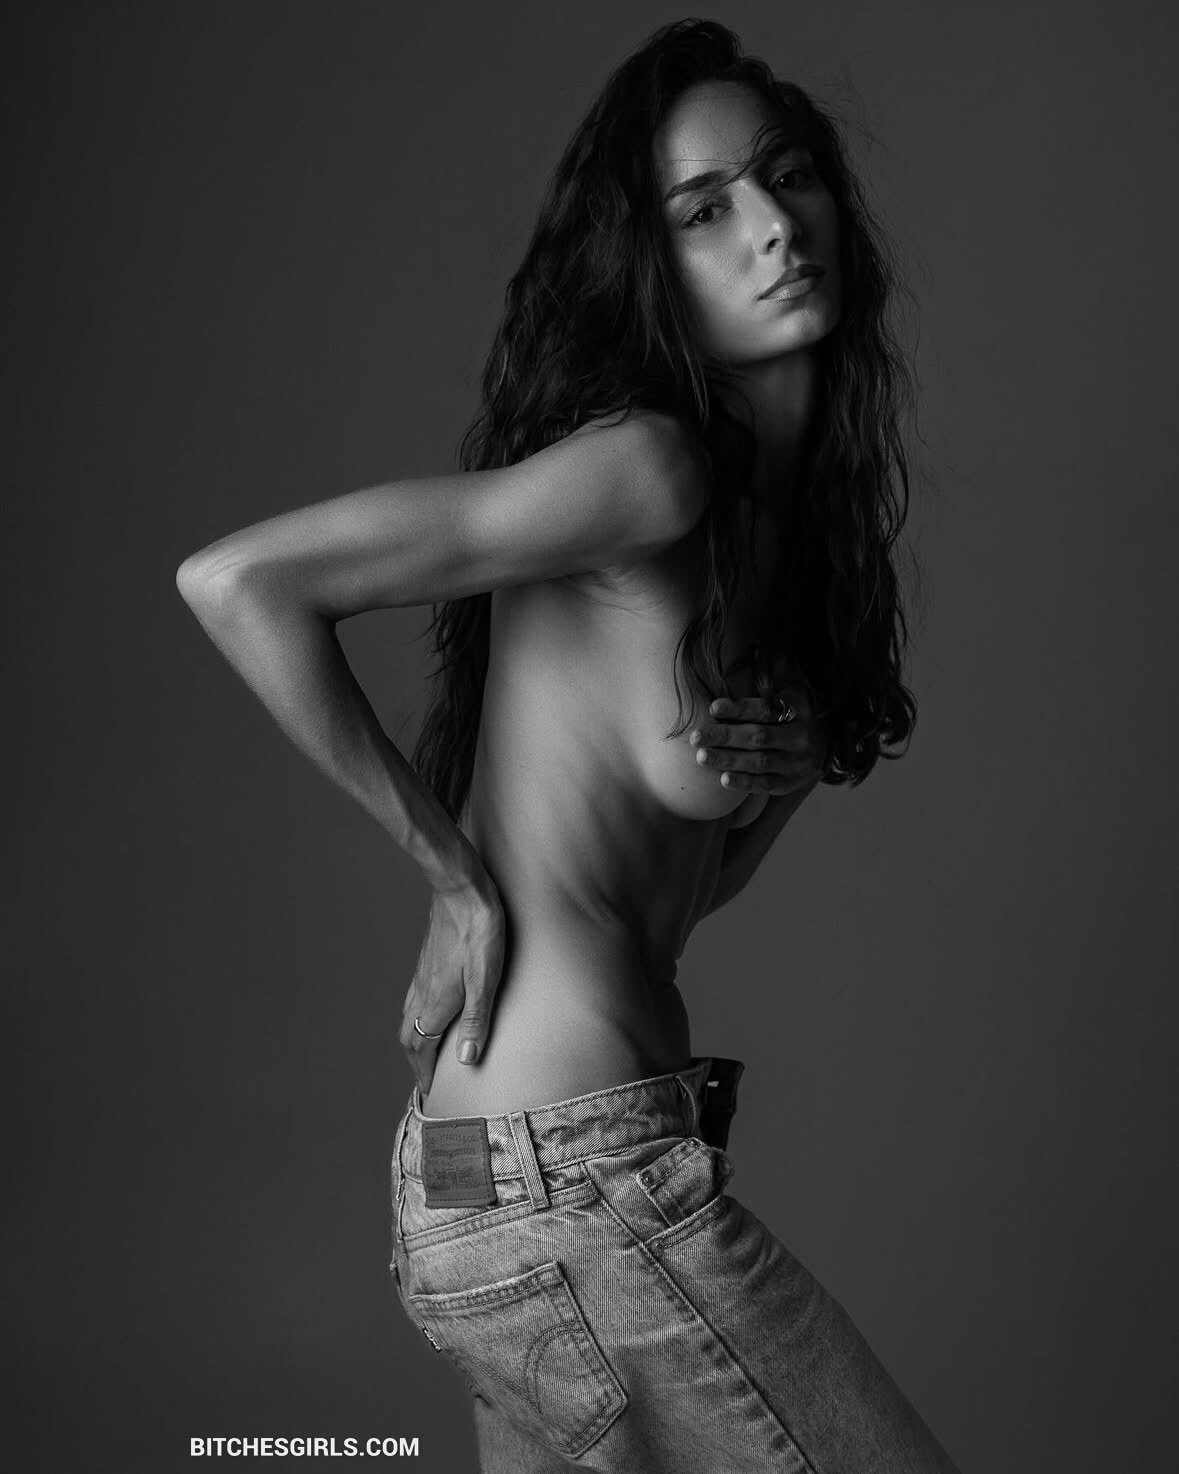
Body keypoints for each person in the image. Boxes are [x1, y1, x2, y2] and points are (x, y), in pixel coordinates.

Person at [176, 18, 961, 1473]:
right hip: (566, 1181)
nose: (772, 227)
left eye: (789, 176)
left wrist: (784, 780)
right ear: (648, 267)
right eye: (704, 209)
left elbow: (667, 904)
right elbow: (240, 584)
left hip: (513, 1182)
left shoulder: (775, 535)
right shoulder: (649, 469)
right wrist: (452, 875)